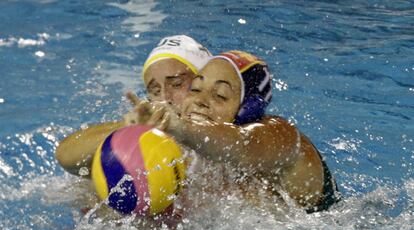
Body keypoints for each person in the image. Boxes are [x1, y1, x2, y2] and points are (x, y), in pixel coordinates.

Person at [124, 50, 340, 213]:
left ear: (248, 108)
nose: (199, 101)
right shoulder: (188, 151)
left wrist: (180, 127)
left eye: (220, 95)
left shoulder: (284, 137)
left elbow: (241, 146)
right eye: (196, 89)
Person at [55, 35, 211, 176]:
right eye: (155, 90)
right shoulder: (147, 139)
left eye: (177, 84)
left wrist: (183, 129)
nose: (165, 98)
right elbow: (66, 157)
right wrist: (127, 130)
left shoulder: (226, 136)